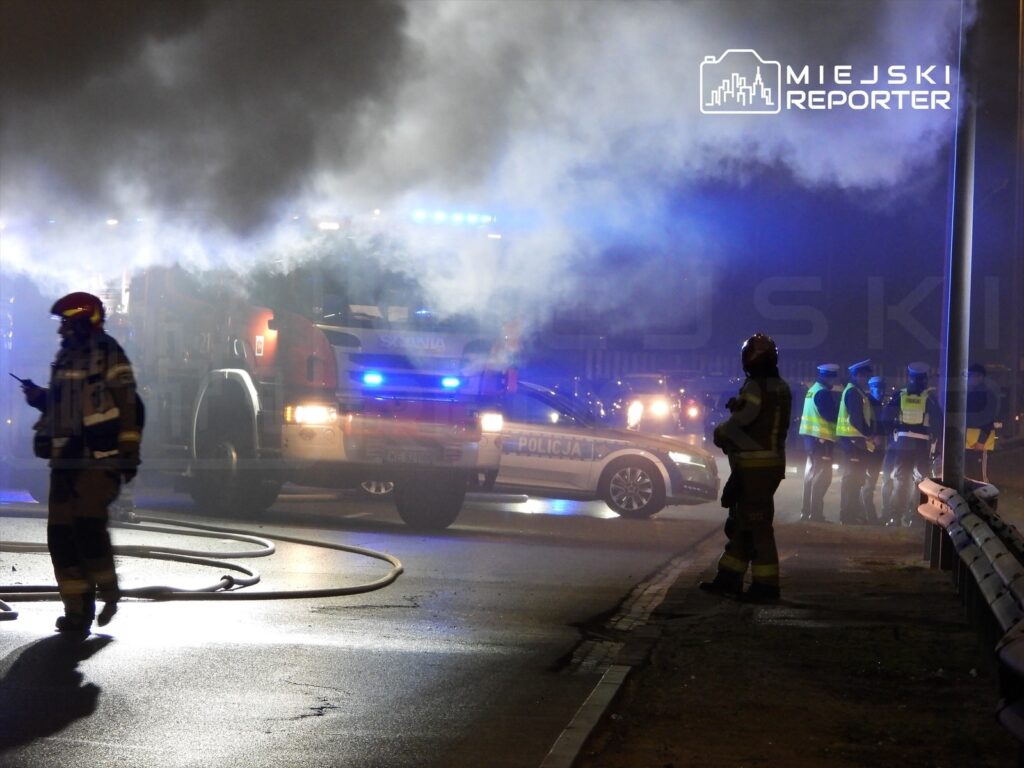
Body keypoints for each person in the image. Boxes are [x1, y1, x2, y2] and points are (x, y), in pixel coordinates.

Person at [20, 292, 142, 633]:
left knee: (87, 532)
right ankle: (77, 612)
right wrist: (40, 399)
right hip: (65, 461)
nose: (61, 330)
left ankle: (108, 590)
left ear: (83, 320)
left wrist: (128, 453)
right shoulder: (65, 358)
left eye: (66, 322)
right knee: (60, 537)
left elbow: (129, 405)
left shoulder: (108, 353)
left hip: (96, 461)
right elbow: (64, 407)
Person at [700, 333, 792, 603]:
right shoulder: (780, 386)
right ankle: (729, 577)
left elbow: (741, 422)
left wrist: (720, 431)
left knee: (757, 524)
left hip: (754, 466)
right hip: (770, 464)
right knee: (743, 522)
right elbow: (762, 417)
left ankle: (766, 586)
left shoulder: (755, 386)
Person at [881, 362, 942, 527]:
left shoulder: (899, 396)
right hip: (922, 444)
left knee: (900, 480)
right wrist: (936, 447)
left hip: (902, 444)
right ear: (925, 380)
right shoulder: (929, 398)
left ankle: (894, 518)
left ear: (910, 378)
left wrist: (893, 434)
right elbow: (938, 424)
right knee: (921, 481)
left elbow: (885, 418)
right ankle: (916, 518)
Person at [836, 360, 879, 525]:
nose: (866, 379)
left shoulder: (857, 391)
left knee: (855, 479)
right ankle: (847, 516)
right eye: (864, 376)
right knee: (852, 480)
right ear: (856, 375)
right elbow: (856, 420)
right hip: (853, 441)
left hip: (854, 441)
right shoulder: (854, 392)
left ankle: (851, 514)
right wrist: (869, 435)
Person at [798, 363, 840, 522]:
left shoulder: (812, 390)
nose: (833, 382)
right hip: (821, 441)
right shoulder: (822, 393)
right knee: (822, 478)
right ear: (828, 377)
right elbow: (830, 415)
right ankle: (815, 514)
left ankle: (807, 512)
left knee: (810, 477)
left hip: (811, 440)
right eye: (833, 378)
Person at [861, 375, 892, 525]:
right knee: (868, 484)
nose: (880, 391)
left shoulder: (879, 405)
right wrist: (872, 437)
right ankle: (870, 518)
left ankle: (869, 517)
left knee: (870, 484)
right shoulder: (869, 404)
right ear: (871, 389)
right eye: (877, 388)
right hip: (870, 450)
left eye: (882, 389)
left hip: (877, 450)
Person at [965, 364, 1000, 483]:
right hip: (967, 443)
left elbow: (988, 419)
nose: (970, 379)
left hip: (979, 443)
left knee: (979, 477)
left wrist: (981, 441)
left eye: (972, 376)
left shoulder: (988, 395)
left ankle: (981, 500)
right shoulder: (968, 394)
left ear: (981, 377)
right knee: (967, 475)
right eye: (969, 376)